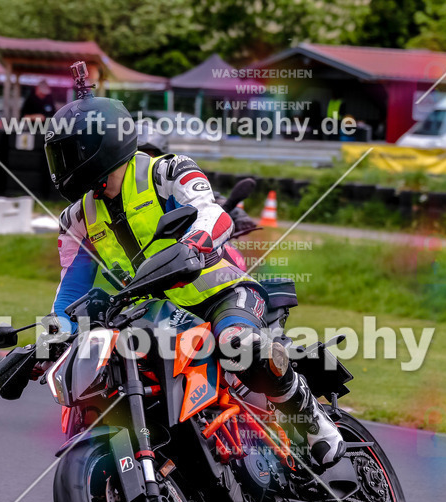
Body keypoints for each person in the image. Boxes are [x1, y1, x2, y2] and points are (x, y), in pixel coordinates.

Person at [43, 93, 347, 467]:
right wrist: (48, 340)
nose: (62, 165)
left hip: (220, 296)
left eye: (68, 153)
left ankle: (310, 420)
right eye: (57, 155)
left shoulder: (167, 171)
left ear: (101, 145)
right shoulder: (75, 219)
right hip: (152, 316)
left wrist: (194, 246)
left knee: (239, 343)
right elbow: (69, 294)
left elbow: (215, 216)